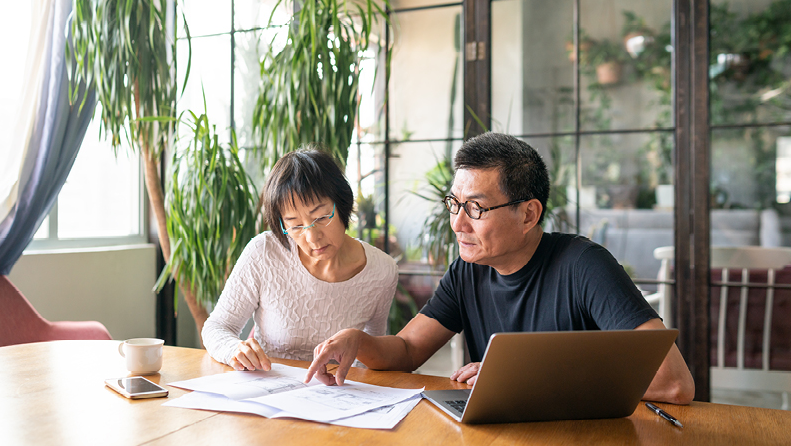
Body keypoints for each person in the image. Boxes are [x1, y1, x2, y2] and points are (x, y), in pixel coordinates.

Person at [305, 132, 695, 405]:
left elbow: (674, 384)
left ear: (529, 214)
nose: (458, 224)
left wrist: (528, 381)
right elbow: (407, 350)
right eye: (454, 204)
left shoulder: (584, 266)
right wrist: (359, 340)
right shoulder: (467, 272)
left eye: (476, 208)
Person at [201, 147, 398, 371]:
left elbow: (372, 356)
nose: (312, 237)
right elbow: (217, 326)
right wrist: (234, 349)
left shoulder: (382, 270)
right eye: (295, 226)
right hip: (269, 390)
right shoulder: (264, 252)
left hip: (338, 395)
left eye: (322, 217)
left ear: (342, 203)